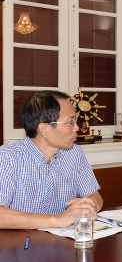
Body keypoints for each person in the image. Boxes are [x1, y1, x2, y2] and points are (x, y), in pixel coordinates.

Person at [0, 91, 103, 229]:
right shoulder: (8, 157)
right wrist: (57, 220)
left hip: (62, 243)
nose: (77, 128)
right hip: (20, 244)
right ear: (44, 129)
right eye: (70, 122)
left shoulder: (75, 153)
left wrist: (90, 205)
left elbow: (94, 195)